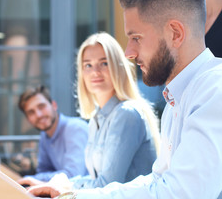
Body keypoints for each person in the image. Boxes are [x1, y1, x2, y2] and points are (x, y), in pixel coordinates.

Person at [27, 0, 222, 199]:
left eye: (136, 37)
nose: (128, 53)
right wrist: (74, 195)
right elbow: (158, 182)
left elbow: (180, 195)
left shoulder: (220, 91)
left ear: (175, 33)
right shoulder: (180, 97)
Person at [27, 32, 160, 197]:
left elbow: (107, 184)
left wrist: (64, 186)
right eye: (88, 65)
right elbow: (94, 178)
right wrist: (52, 184)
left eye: (104, 63)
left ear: (118, 67)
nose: (95, 71)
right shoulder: (96, 119)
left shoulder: (126, 114)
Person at [17, 85, 88, 186]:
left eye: (41, 107)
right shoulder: (45, 136)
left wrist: (32, 179)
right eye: (31, 112)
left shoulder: (75, 128)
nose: (38, 115)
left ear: (54, 105)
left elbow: (73, 174)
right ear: (28, 119)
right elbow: (43, 170)